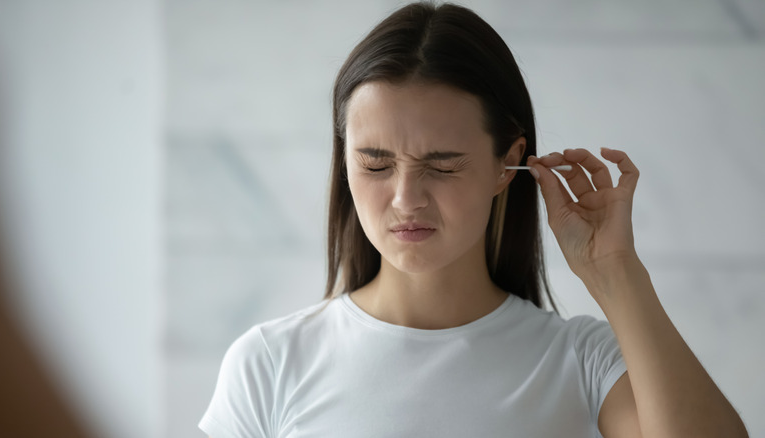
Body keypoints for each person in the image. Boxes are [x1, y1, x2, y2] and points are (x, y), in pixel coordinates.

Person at [199, 2, 748, 437]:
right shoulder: (269, 362)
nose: (406, 198)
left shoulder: (584, 364)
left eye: (442, 166)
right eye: (375, 164)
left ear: (505, 166)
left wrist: (617, 272)